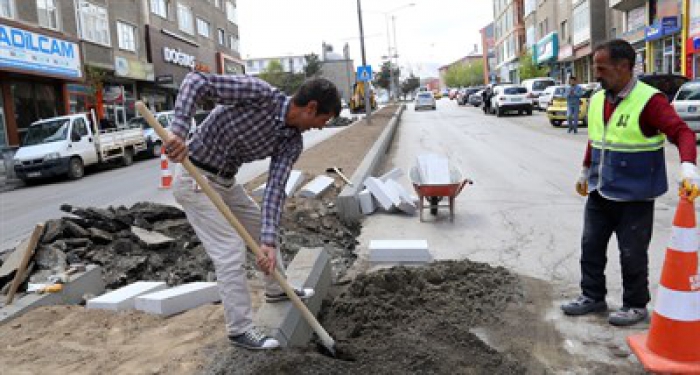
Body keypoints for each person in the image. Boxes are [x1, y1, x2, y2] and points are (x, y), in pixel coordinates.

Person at [164, 72, 341, 349]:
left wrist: (268, 244)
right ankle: (240, 329)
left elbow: (274, 190)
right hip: (194, 176)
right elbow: (195, 82)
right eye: (323, 120)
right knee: (230, 248)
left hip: (225, 181)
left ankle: (277, 289)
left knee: (262, 228)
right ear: (311, 108)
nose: (320, 127)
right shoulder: (259, 95)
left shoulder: (291, 142)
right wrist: (178, 132)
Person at [561, 39, 700, 326]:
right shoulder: (599, 98)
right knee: (591, 246)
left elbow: (683, 133)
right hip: (601, 190)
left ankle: (636, 305)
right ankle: (592, 296)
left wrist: (688, 167)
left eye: (601, 68)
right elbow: (597, 138)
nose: (596, 74)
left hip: (635, 195)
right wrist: (585, 170)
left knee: (632, 253)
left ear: (623, 67)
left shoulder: (650, 100)